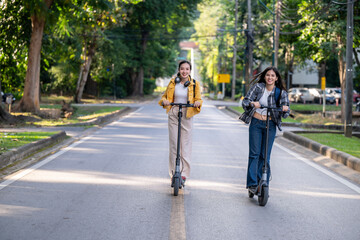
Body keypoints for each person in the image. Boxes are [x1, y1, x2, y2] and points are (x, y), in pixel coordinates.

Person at [240, 66, 290, 193]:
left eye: (273, 76)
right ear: (265, 76)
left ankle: (263, 182)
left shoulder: (281, 93)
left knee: (265, 155)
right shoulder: (258, 88)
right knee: (254, 154)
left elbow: (286, 112)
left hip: (271, 124)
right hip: (256, 123)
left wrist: (285, 109)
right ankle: (252, 184)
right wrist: (252, 104)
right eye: (268, 75)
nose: (270, 77)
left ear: (276, 78)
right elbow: (245, 102)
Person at [159, 60, 203, 184]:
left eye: (187, 69)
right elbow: (164, 97)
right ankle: (173, 173)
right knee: (174, 145)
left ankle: (183, 174)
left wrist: (198, 102)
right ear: (179, 70)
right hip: (174, 113)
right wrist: (165, 101)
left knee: (185, 146)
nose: (184, 71)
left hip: (187, 114)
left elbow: (198, 98)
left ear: (190, 71)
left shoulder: (194, 84)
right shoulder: (173, 82)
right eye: (182, 69)